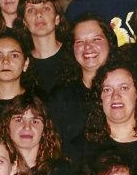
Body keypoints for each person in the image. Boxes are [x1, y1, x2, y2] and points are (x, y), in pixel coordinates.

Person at [48, 14, 117, 147]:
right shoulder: (61, 97)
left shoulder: (126, 90)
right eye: (80, 42)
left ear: (110, 42)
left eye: (96, 39)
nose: (88, 47)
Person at [15, 0, 72, 96]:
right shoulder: (21, 63)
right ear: (24, 23)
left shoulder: (74, 55)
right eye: (31, 10)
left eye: (46, 8)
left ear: (57, 18)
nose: (38, 14)